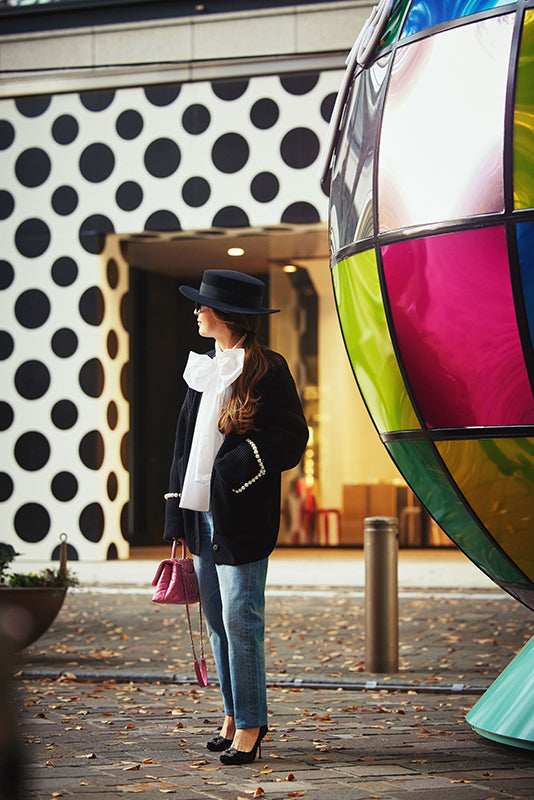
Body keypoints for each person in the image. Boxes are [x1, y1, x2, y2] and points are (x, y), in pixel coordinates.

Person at [163, 269, 309, 765]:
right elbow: (182, 447)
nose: (197, 312)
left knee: (240, 620)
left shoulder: (268, 369)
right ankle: (231, 714)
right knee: (218, 626)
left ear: (225, 314)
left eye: (204, 305)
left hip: (241, 512)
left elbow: (291, 438)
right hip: (199, 512)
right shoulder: (203, 367)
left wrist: (235, 467)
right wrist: (176, 519)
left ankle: (250, 724)